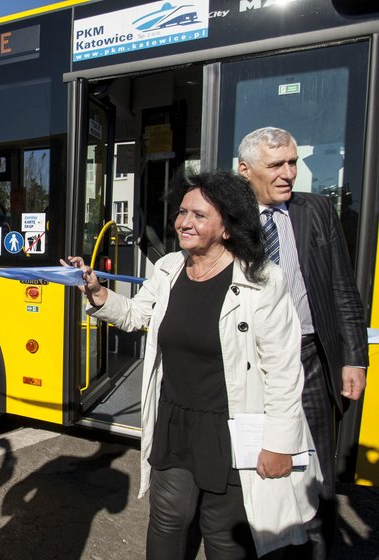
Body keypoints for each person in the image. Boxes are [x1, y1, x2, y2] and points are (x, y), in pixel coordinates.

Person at [64, 170, 321, 558]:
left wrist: (279, 444)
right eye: (182, 212)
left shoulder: (263, 281)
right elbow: (137, 315)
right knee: (167, 519)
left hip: (230, 426)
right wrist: (99, 294)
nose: (184, 222)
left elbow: (284, 370)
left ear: (229, 227)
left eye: (199, 215)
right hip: (174, 420)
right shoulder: (169, 267)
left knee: (221, 532)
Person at [237, 127, 368, 558]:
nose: (289, 173)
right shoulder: (226, 217)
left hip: (309, 357)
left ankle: (317, 551)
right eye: (277, 165)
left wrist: (354, 358)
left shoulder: (316, 211)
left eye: (293, 162)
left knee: (317, 476)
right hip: (249, 362)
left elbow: (342, 287)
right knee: (251, 468)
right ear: (245, 171)